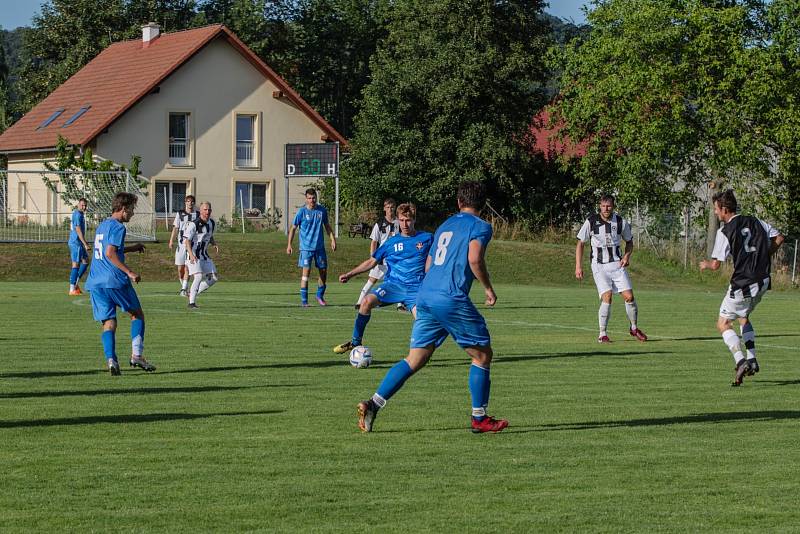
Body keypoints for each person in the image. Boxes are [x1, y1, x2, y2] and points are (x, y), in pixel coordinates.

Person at [356, 181, 508, 434]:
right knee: (482, 355)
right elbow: (474, 258)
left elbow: (428, 265)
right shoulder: (481, 226)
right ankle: (479, 418)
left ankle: (374, 403)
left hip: (426, 294)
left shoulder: (445, 225)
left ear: (459, 202)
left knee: (415, 358)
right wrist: (488, 289)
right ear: (483, 204)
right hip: (451, 297)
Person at [699, 189, 784, 386]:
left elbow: (715, 265)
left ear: (725, 209)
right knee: (743, 316)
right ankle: (752, 358)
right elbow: (779, 238)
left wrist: (705, 264)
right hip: (763, 280)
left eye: (716, 209)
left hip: (743, 283)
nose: (715, 213)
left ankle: (741, 361)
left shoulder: (725, 231)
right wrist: (764, 255)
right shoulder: (755, 221)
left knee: (723, 324)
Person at [335, 203, 432, 354]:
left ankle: (419, 355)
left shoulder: (427, 239)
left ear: (414, 220)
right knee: (366, 302)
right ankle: (355, 342)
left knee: (422, 322)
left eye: (407, 220)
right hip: (393, 286)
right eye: (401, 220)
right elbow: (372, 261)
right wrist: (350, 274)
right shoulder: (391, 243)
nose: (404, 224)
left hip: (416, 289)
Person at [84, 192, 156, 375]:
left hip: (96, 282)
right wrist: (129, 272)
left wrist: (132, 248)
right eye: (131, 209)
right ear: (123, 209)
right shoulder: (118, 227)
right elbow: (110, 253)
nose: (132, 213)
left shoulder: (102, 226)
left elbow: (108, 249)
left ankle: (111, 360)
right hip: (114, 280)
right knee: (137, 315)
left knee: (109, 322)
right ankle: (137, 356)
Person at [575, 195, 647, 343]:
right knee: (607, 297)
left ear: (613, 206)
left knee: (629, 297)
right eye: (603, 206)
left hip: (616, 265)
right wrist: (578, 266)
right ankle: (602, 334)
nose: (605, 209)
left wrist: (626, 257)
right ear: (599, 206)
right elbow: (580, 244)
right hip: (599, 265)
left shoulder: (620, 222)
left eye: (608, 206)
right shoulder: (591, 221)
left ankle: (634, 328)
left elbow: (629, 242)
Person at [286, 188, 336, 306]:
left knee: (323, 272)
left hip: (319, 248)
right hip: (306, 248)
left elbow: (327, 226)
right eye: (309, 198)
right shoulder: (301, 212)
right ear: (306, 199)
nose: (312, 200)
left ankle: (320, 295)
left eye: (313, 198)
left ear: (316, 198)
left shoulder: (322, 211)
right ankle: (304, 301)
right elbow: (293, 228)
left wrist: (332, 240)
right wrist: (289, 245)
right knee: (306, 273)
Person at [354, 198, 400, 310]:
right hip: (381, 257)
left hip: (395, 258)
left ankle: (400, 304)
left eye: (392, 207)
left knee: (398, 280)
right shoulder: (379, 224)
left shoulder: (399, 222)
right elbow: (374, 241)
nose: (390, 209)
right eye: (388, 207)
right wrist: (373, 257)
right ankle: (360, 301)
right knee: (372, 279)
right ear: (384, 209)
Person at [183, 202, 219, 309]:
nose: (207, 212)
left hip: (204, 255)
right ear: (201, 211)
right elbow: (187, 241)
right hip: (193, 254)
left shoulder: (211, 223)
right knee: (198, 276)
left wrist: (214, 243)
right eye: (205, 210)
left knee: (214, 278)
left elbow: (209, 235)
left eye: (209, 210)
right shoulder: (194, 224)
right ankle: (191, 303)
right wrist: (191, 255)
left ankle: (192, 293)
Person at [168, 195, 200, 296]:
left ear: (194, 203)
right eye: (188, 201)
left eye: (192, 201)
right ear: (185, 203)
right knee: (180, 269)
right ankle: (183, 285)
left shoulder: (197, 214)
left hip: (191, 245)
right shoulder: (180, 213)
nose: (190, 203)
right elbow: (175, 228)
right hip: (181, 245)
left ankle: (183, 288)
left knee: (187, 267)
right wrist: (171, 241)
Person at [68, 198, 91, 295]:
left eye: (85, 205)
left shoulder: (81, 214)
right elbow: (78, 230)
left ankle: (76, 284)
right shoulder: (77, 214)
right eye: (82, 205)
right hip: (75, 243)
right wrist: (85, 243)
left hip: (79, 243)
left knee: (85, 261)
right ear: (78, 205)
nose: (84, 207)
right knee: (76, 264)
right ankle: (72, 289)